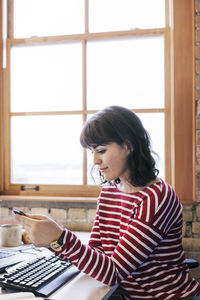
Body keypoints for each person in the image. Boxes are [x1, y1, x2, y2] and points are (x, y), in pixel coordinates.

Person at [15, 106, 200, 300]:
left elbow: (113, 272)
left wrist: (60, 238)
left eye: (101, 150)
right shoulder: (110, 190)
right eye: (92, 152)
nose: (95, 160)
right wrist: (51, 240)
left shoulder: (156, 198)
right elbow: (97, 250)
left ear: (129, 146)